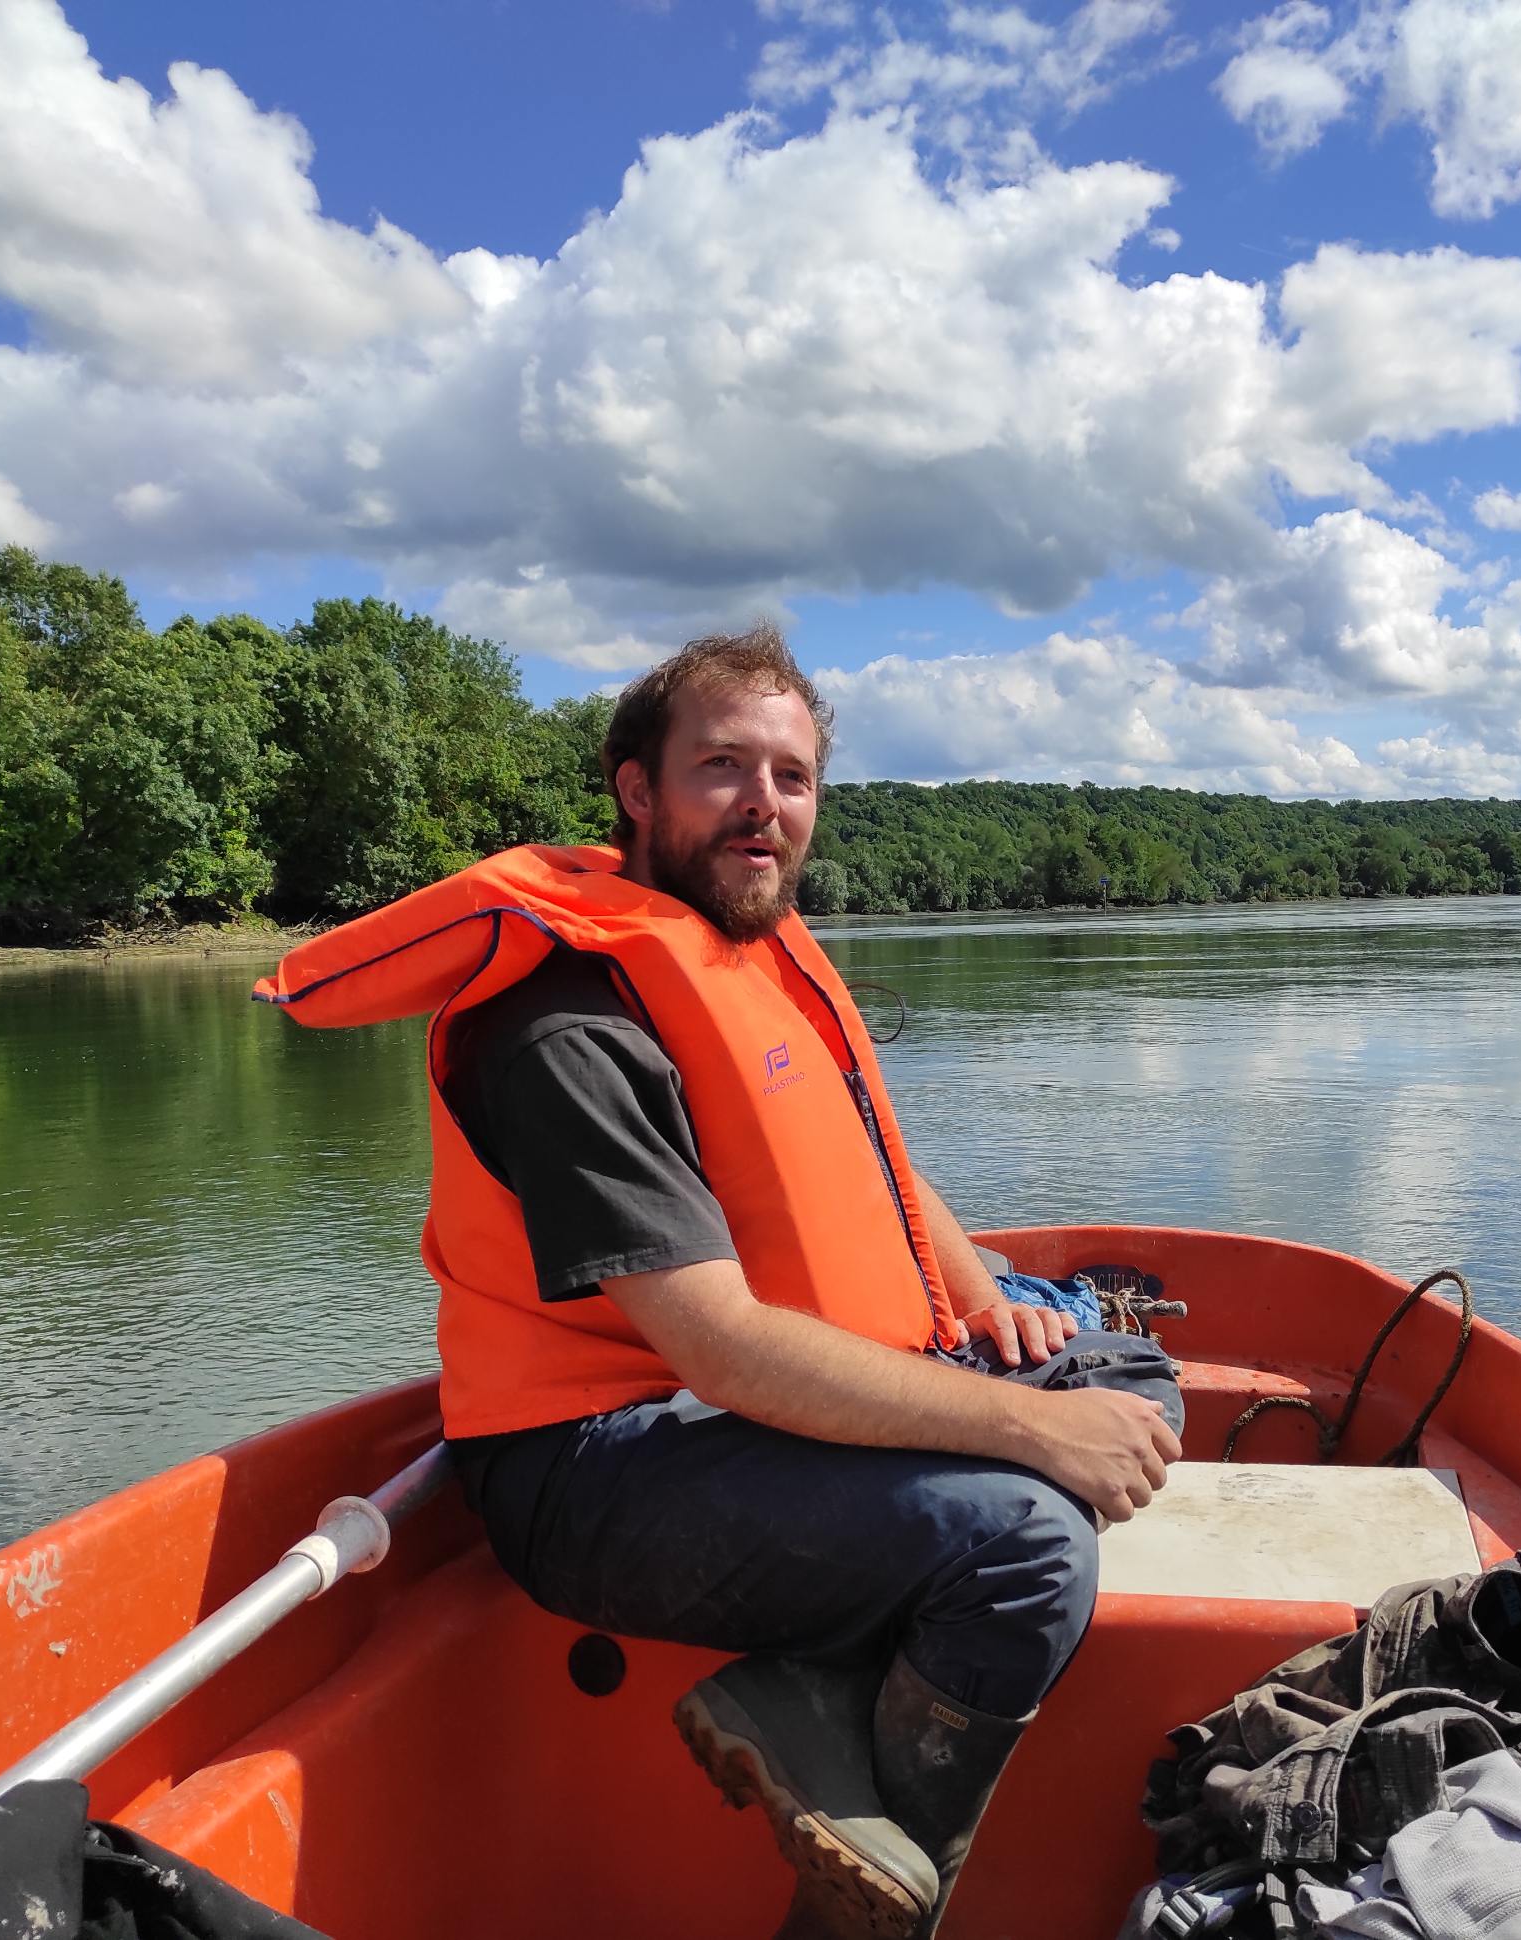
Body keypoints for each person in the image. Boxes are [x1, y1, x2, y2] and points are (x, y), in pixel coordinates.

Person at [255, 626, 1186, 1940]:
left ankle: (807, 1700)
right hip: (598, 1470)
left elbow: (876, 1174)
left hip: (742, 1413)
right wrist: (1028, 1429)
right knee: (1028, 1543)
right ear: (638, 790)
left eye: (792, 777)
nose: (765, 804)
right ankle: (855, 1920)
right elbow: (721, 1348)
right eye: (724, 768)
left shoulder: (746, 954)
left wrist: (984, 1305)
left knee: (1125, 1370)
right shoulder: (564, 1022)